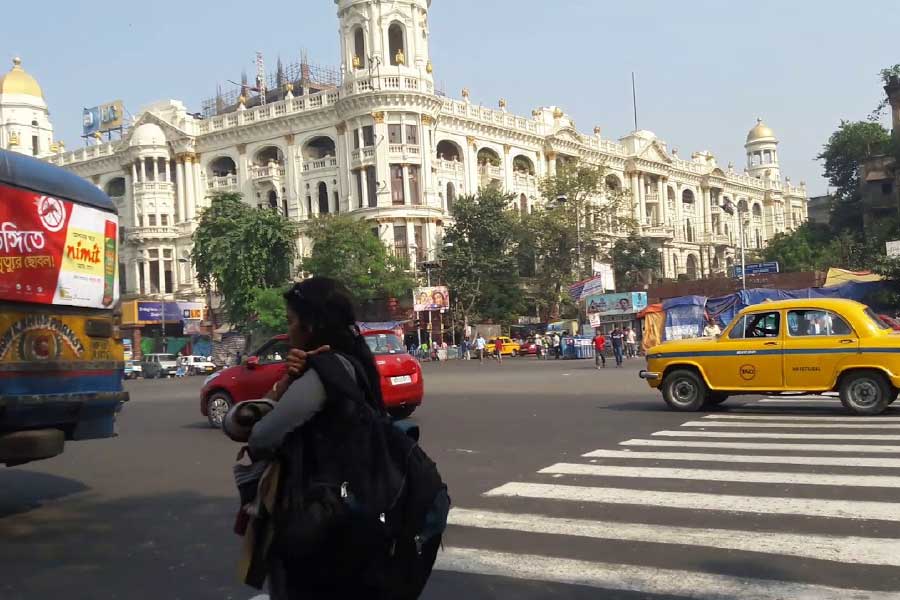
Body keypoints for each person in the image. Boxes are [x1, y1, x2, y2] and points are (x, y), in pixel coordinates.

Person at [240, 277, 445, 598]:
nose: (289, 330)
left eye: (292, 321)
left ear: (312, 325)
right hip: (354, 516)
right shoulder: (355, 357)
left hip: (323, 528)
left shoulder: (324, 371)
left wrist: (282, 386)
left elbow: (259, 437)